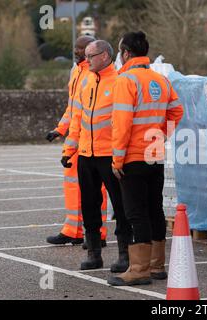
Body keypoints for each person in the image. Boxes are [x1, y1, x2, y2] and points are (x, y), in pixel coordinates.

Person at [107, 31, 183, 286]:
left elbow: (122, 123)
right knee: (154, 209)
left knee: (135, 212)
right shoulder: (160, 79)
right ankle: (156, 266)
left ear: (126, 53)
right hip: (155, 154)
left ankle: (138, 270)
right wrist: (162, 136)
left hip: (133, 157)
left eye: (120, 51)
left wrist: (117, 160)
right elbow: (177, 110)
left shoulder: (125, 80)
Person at [62, 40, 131, 271]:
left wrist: (120, 155)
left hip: (109, 156)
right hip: (86, 155)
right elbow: (76, 120)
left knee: (121, 207)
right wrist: (69, 149)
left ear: (105, 56)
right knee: (90, 206)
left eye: (91, 56)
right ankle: (94, 254)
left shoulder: (120, 81)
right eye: (86, 56)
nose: (86, 59)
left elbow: (123, 123)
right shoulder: (86, 81)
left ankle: (125, 255)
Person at [45, 35, 108, 248]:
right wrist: (59, 129)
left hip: (90, 139)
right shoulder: (76, 71)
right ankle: (73, 230)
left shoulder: (92, 73)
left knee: (95, 189)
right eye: (76, 47)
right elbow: (72, 108)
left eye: (80, 48)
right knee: (73, 186)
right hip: (76, 138)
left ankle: (98, 233)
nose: (76, 51)